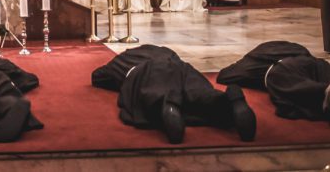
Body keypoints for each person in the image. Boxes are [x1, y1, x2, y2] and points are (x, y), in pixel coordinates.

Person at [92, 44, 256, 144]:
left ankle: (169, 105)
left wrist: (119, 74)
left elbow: (97, 76)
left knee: (154, 94)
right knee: (200, 93)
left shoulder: (124, 58)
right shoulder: (167, 52)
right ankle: (230, 100)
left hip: (147, 70)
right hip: (182, 67)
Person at [217, 41, 330, 130]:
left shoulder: (256, 59)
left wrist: (245, 65)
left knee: (292, 86)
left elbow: (224, 76)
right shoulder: (295, 47)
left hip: (283, 67)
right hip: (315, 63)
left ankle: (329, 96)